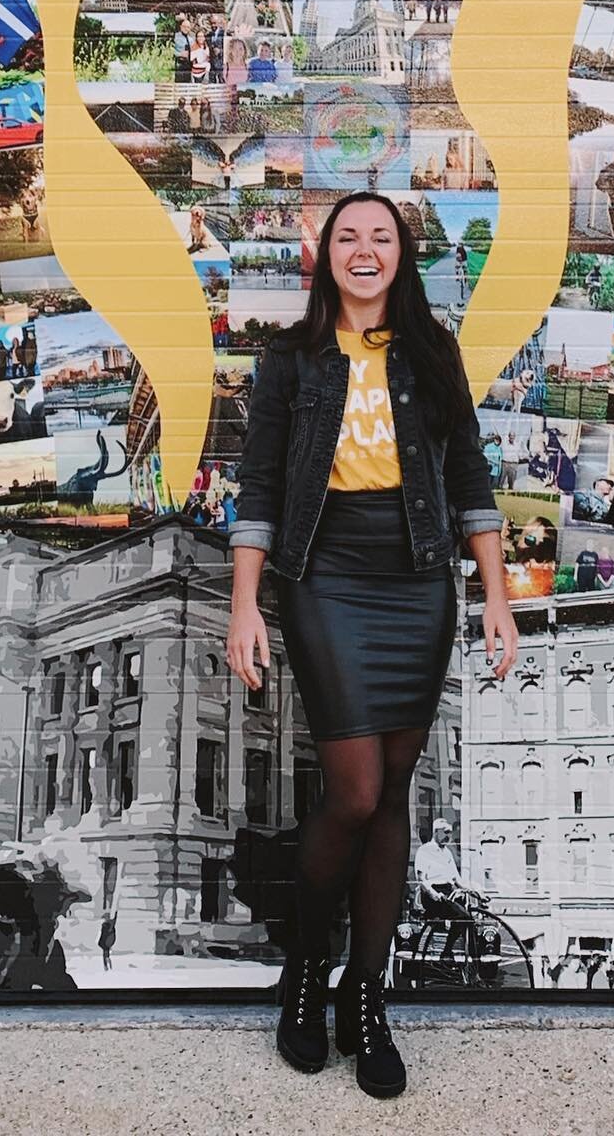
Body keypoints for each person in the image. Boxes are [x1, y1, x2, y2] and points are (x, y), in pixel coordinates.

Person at [225, 192, 511, 1098]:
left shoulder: (433, 351)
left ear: (401, 254)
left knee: (392, 796)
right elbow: (259, 485)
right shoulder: (291, 358)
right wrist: (245, 607)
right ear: (326, 255)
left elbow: (466, 469)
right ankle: (308, 970)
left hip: (419, 579)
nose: (364, 250)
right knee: (353, 790)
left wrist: (494, 596)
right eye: (348, 236)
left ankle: (367, 996)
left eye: (380, 237)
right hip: (325, 576)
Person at [413, 819, 476, 965]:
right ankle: (446, 953)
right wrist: (434, 894)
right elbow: (421, 880)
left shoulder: (447, 852)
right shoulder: (425, 850)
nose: (449, 836)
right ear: (436, 831)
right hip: (434, 895)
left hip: (448, 892)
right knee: (464, 917)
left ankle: (474, 962)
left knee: (470, 919)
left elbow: (456, 879)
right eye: (446, 832)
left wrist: (474, 892)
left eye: (450, 833)